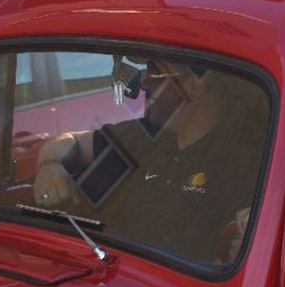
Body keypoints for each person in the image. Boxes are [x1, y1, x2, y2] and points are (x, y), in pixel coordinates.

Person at [31, 60, 266, 263]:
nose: (143, 83)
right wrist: (50, 166)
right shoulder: (146, 137)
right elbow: (66, 141)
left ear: (194, 86)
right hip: (119, 273)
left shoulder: (246, 163)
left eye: (156, 74)